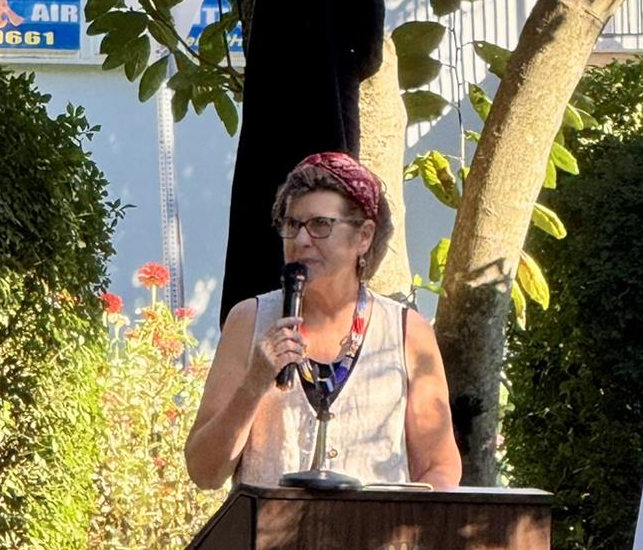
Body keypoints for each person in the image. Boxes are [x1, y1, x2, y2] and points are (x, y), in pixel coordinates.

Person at [185, 152, 463, 492]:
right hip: (268, 527)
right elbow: (204, 472)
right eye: (292, 225)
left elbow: (439, 468)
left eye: (320, 224)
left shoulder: (406, 332)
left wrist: (399, 519)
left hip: (374, 528)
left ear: (364, 236)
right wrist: (254, 384)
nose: (301, 240)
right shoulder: (248, 320)